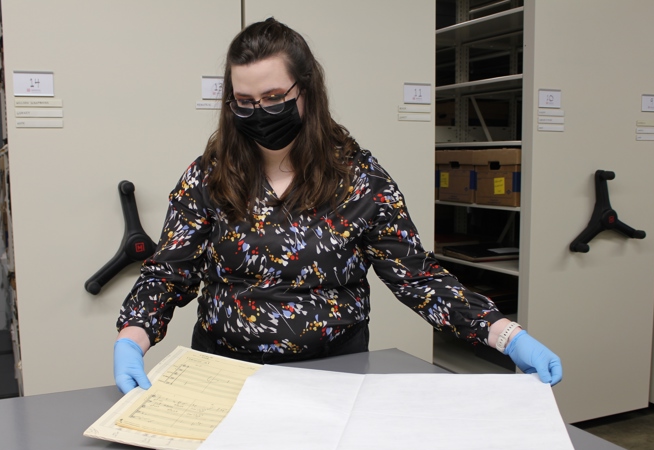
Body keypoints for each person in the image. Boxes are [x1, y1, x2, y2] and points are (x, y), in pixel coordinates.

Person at [113, 18, 562, 393]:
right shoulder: (210, 175)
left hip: (334, 372)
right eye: (244, 102)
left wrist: (506, 335)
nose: (259, 112)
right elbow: (169, 272)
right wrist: (133, 337)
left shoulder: (358, 179)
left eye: (273, 98)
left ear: (306, 90)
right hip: (225, 370)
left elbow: (418, 277)